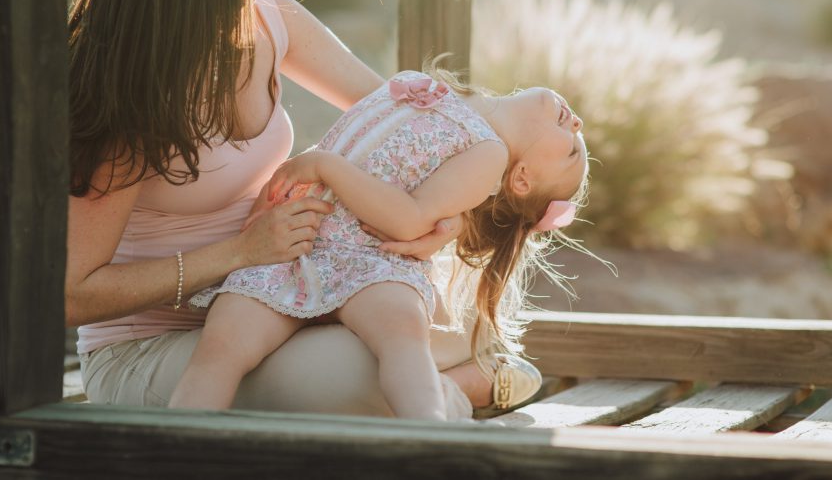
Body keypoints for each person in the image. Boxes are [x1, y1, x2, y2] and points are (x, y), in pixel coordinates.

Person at [67, 0, 541, 419]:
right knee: (376, 372)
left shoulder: (267, 16)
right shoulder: (123, 83)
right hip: (150, 348)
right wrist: (239, 252)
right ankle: (474, 391)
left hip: (277, 302)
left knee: (435, 330)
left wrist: (433, 217)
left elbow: (399, 119)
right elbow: (72, 295)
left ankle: (464, 377)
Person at [169, 69, 589, 419]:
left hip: (370, 259)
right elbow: (359, 144)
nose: (578, 125)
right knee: (221, 346)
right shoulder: (440, 89)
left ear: (522, 180)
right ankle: (169, 450)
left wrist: (324, 166)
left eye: (572, 151)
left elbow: (408, 219)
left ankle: (427, 437)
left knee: (404, 338)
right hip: (292, 247)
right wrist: (265, 210)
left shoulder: (490, 154)